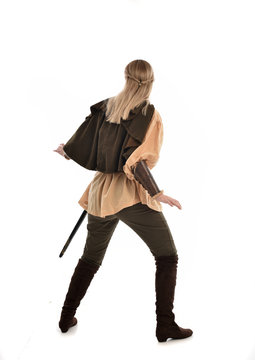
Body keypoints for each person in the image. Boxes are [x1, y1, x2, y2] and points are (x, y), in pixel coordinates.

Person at [53, 59, 193, 342]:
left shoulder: (106, 106)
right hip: (128, 194)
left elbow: (82, 143)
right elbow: (135, 162)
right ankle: (165, 324)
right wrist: (156, 193)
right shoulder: (148, 114)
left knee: (90, 258)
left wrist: (65, 152)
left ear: (126, 77)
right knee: (167, 256)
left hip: (99, 194)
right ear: (150, 82)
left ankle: (66, 317)